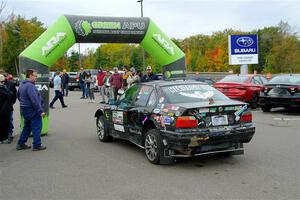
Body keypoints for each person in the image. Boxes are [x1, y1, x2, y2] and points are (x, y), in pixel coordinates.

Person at [16, 69, 46, 151]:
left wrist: (24, 104)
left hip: (25, 109)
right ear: (30, 76)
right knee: (37, 127)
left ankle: (20, 143)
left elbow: (18, 96)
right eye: (35, 76)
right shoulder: (30, 86)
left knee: (27, 127)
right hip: (32, 110)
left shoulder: (22, 84)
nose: (36, 77)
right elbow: (34, 100)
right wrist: (40, 111)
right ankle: (37, 145)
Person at [0, 74, 13, 144]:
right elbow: (9, 94)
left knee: (7, 123)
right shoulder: (2, 89)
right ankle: (3, 138)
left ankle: (5, 137)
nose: (2, 83)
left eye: (3, 81)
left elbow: (11, 94)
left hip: (6, 109)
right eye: (1, 82)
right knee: (3, 124)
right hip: (3, 110)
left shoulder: (4, 88)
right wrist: (8, 91)